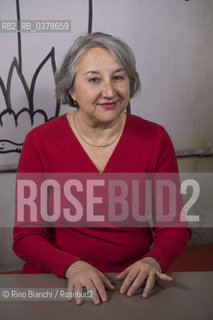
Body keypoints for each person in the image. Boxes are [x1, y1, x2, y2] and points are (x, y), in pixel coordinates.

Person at [13, 32, 191, 305]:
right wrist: (72, 266)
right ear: (71, 89)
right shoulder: (40, 141)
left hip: (131, 282)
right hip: (59, 279)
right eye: (94, 79)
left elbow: (174, 226)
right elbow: (26, 235)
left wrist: (155, 260)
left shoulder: (155, 138)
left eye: (118, 77)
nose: (109, 91)